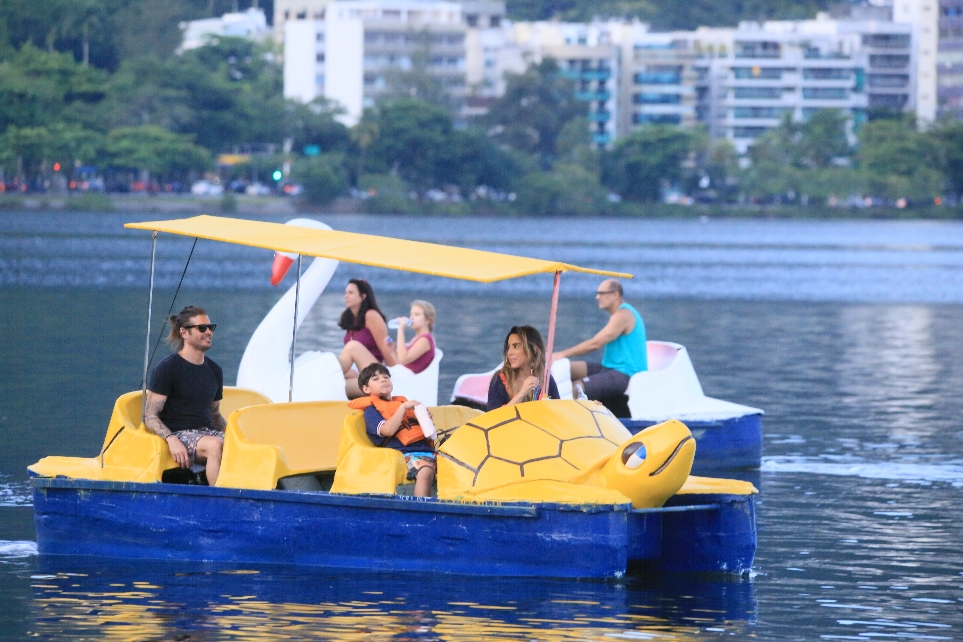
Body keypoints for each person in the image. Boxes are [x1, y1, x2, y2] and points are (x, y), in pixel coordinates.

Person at [145, 306, 226, 486]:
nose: (209, 332)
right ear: (184, 332)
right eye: (202, 328)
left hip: (207, 433)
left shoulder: (215, 370)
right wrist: (171, 440)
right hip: (179, 433)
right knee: (214, 446)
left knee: (246, 446)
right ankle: (221, 501)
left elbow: (215, 416)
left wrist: (236, 435)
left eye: (211, 327)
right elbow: (150, 416)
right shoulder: (167, 368)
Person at [348, 363, 436, 497]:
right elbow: (387, 431)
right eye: (376, 379)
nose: (383, 380)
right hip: (405, 455)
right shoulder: (372, 411)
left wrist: (425, 420)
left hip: (429, 452)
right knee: (425, 472)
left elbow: (429, 437)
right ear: (366, 389)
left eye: (386, 377)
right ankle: (423, 512)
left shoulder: (404, 405)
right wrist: (402, 408)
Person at [554, 279, 647, 402]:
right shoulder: (618, 315)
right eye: (597, 293)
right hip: (608, 368)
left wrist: (561, 354)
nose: (597, 297)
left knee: (575, 388)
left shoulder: (624, 315)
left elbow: (595, 344)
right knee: (563, 368)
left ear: (615, 295)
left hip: (626, 375)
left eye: (602, 293)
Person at [338, 279, 396, 397]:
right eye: (346, 293)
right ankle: (327, 376)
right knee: (337, 381)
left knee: (352, 347)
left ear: (363, 296)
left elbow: (385, 348)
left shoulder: (371, 315)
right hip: (363, 374)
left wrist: (397, 375)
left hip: (376, 374)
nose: (346, 296)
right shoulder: (351, 320)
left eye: (351, 293)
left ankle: (328, 376)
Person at [487, 325, 560, 411]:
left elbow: (557, 413)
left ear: (534, 349)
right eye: (508, 347)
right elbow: (492, 418)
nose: (509, 352)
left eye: (516, 346)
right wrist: (521, 395)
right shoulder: (499, 380)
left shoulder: (546, 380)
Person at [391, 300, 437, 374]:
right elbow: (399, 360)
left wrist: (400, 330)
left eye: (417, 314)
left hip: (409, 380)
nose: (411, 317)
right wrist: (392, 349)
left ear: (428, 320)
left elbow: (403, 359)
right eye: (411, 314)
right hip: (401, 375)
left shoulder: (425, 340)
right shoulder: (416, 338)